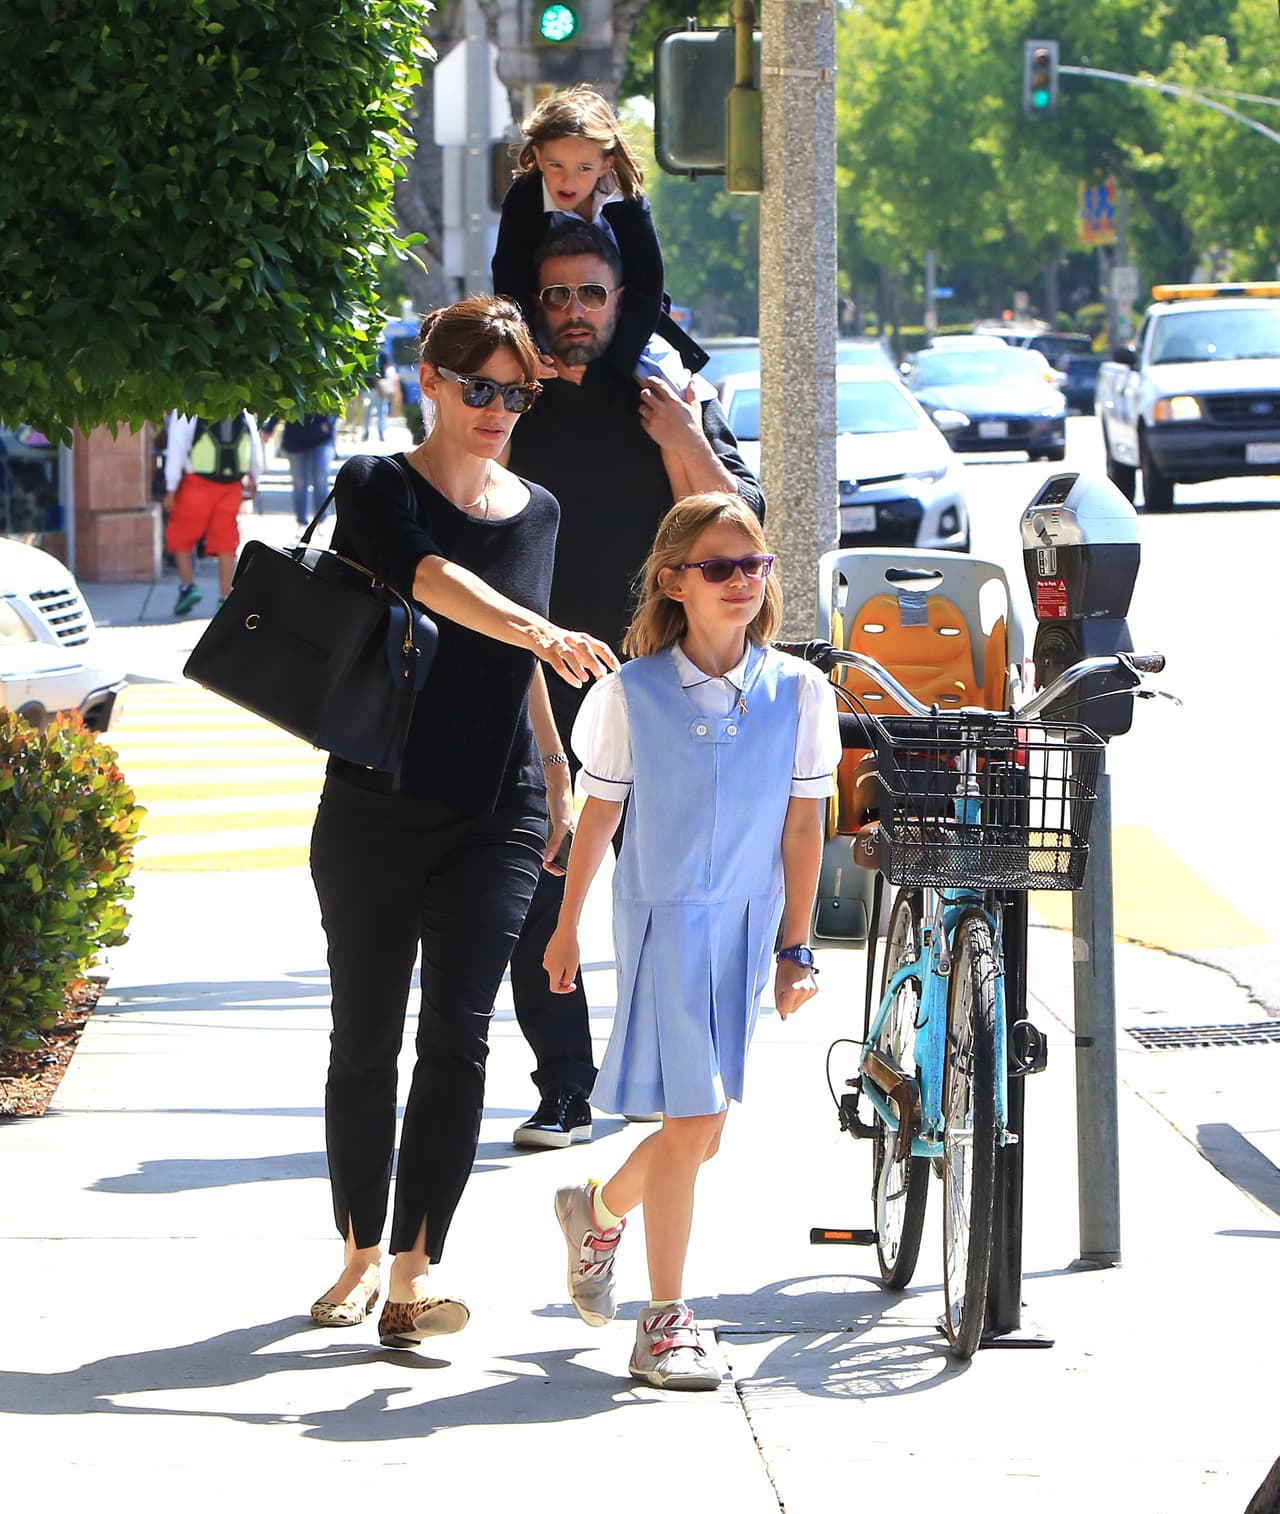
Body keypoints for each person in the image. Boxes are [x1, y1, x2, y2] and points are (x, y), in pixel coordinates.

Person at [308, 295, 616, 1349]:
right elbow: (432, 582)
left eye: (517, 394)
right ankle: (358, 1250)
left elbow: (511, 660)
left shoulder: (539, 511)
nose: (496, 409)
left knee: (459, 1036)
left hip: (498, 810)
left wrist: (555, 769)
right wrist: (542, 628)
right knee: (365, 1038)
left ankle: (412, 1271)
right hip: (374, 800)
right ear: (430, 382)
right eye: (478, 387)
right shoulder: (375, 485)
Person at [544, 492, 840, 1389]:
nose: (742, 581)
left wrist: (796, 947)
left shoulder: (800, 691)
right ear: (675, 581)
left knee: (699, 1135)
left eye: (755, 564)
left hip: (748, 928)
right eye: (719, 567)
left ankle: (597, 1211)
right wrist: (565, 927)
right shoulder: (628, 694)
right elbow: (599, 816)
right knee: (696, 1121)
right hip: (663, 921)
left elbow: (803, 827)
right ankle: (664, 1321)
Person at [502, 219, 764, 1149]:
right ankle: (564, 1087)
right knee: (545, 888)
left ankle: (655, 1070)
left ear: (623, 301)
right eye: (557, 295)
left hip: (659, 688)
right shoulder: (514, 403)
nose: (575, 311)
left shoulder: (666, 396)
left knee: (662, 893)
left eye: (592, 293)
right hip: (543, 685)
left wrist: (686, 436)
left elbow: (741, 524)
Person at [492, 85, 706, 399]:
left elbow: (647, 287)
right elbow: (510, 281)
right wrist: (535, 352)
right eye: (556, 166)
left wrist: (613, 365)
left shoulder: (627, 200)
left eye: (584, 169)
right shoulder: (524, 199)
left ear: (605, 165)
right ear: (538, 157)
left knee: (673, 384)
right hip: (547, 322)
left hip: (626, 325)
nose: (568, 181)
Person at [162, 412, 263, 616]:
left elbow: (176, 450)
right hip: (231, 485)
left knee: (180, 533)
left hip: (196, 483)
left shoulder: (187, 409)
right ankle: (225, 596)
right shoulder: (240, 407)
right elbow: (254, 444)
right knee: (226, 538)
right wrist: (255, 477)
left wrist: (171, 489)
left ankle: (187, 587)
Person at [279, 413, 337, 525]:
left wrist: (329, 422)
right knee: (299, 482)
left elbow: (338, 406)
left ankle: (321, 519)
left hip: (321, 438)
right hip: (295, 439)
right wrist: (269, 428)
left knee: (320, 479)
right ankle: (301, 521)